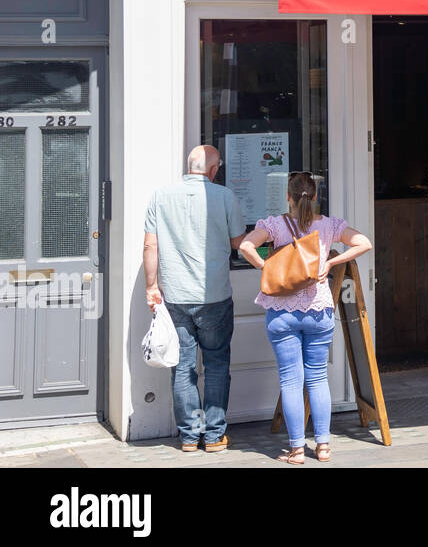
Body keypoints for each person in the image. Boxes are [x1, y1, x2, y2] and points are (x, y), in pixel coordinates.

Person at [238, 172, 371, 464]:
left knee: (290, 379)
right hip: (319, 310)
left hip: (281, 313)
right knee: (317, 378)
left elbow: (245, 246)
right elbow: (364, 243)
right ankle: (323, 447)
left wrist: (267, 268)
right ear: (314, 197)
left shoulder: (274, 224)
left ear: (288, 196)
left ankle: (297, 449)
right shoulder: (328, 225)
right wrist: (331, 262)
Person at [143, 145, 244, 453]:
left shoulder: (160, 196)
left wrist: (151, 286)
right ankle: (213, 436)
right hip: (213, 295)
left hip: (174, 296)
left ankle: (189, 436)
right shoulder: (224, 196)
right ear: (213, 170)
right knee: (215, 364)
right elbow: (239, 242)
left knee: (183, 366)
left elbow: (150, 247)